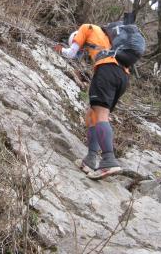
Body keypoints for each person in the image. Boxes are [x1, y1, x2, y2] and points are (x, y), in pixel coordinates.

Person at [54, 24, 128, 179]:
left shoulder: (85, 29)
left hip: (106, 70)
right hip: (123, 76)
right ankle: (90, 159)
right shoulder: (107, 36)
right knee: (92, 115)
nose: (82, 50)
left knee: (100, 115)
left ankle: (109, 159)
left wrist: (60, 49)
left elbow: (71, 53)